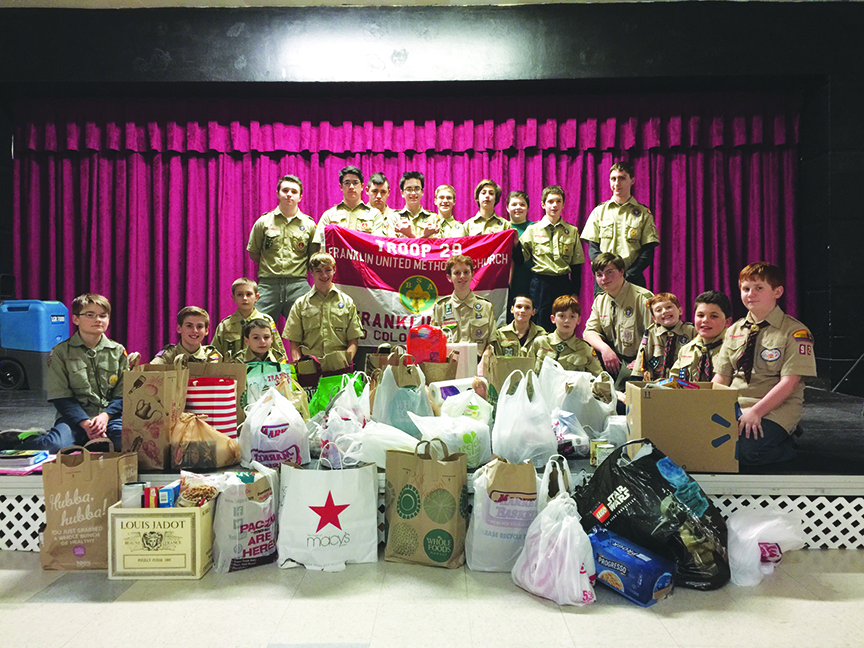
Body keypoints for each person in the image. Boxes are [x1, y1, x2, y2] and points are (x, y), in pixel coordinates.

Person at [712, 262, 816, 466]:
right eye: (746, 288)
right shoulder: (734, 330)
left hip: (774, 408)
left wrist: (756, 412)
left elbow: (789, 383)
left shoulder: (795, 332)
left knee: (743, 453)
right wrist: (710, 408)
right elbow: (721, 377)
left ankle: (787, 443)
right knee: (705, 444)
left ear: (777, 291)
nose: (751, 294)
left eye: (759, 288)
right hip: (736, 406)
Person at [18, 294, 126, 453]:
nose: (98, 320)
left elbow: (124, 393)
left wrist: (105, 416)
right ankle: (23, 439)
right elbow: (60, 396)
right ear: (76, 319)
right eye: (90, 315)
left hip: (108, 418)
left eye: (103, 315)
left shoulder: (117, 351)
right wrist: (85, 423)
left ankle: (92, 440)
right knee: (55, 446)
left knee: (127, 444)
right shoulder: (61, 352)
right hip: (74, 419)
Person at [246, 174, 316, 322]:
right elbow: (254, 252)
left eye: (294, 191)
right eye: (285, 190)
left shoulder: (309, 225)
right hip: (268, 284)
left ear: (300, 197)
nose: (289, 194)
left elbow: (313, 256)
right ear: (278, 193)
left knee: (309, 326)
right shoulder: (263, 222)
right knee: (256, 325)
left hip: (297, 284)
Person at [582, 161, 659, 289]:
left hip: (633, 280)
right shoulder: (599, 211)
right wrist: (606, 273)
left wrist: (626, 275)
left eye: (622, 178)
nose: (617, 183)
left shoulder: (643, 213)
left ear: (632, 180)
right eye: (613, 179)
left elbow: (647, 252)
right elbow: (593, 249)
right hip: (605, 281)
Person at [582, 252, 653, 389]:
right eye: (599, 274)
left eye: (609, 272)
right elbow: (589, 332)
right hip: (612, 359)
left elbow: (655, 337)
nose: (604, 278)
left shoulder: (643, 298)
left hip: (638, 361)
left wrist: (640, 361)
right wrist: (605, 350)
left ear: (622, 271)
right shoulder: (600, 300)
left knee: (618, 395)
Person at [284, 252, 364, 372]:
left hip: (339, 366)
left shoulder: (347, 302)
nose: (324, 275)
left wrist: (345, 363)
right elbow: (294, 342)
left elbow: (353, 340)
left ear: (334, 270)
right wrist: (300, 366)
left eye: (328, 270)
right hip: (309, 365)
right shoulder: (300, 304)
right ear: (311, 272)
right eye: (318, 271)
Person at [519, 185, 584, 332]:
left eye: (558, 201)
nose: (554, 205)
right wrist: (513, 243)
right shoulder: (533, 230)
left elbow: (576, 266)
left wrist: (575, 293)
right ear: (543, 204)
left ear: (563, 204)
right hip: (540, 283)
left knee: (563, 322)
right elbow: (520, 258)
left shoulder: (571, 231)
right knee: (539, 324)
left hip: (562, 283)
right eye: (550, 201)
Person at [431, 254, 496, 354]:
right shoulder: (440, 308)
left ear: (472, 274)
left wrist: (483, 362)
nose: (462, 276)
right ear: (449, 277)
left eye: (466, 272)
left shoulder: (485, 307)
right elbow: (433, 342)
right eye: (457, 273)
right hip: (449, 364)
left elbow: (491, 343)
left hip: (478, 364)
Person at [211, 277, 286, 361]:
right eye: (240, 294)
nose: (244, 298)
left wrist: (283, 369)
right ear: (233, 298)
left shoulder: (267, 321)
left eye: (249, 294)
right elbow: (215, 353)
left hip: (261, 370)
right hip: (233, 371)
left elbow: (279, 351)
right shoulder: (225, 325)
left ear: (256, 297)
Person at [314, 166, 386, 249]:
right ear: (341, 186)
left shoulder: (375, 215)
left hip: (363, 260)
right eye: (347, 183)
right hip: (335, 261)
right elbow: (318, 246)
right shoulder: (329, 215)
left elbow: (377, 245)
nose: (351, 186)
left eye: (355, 182)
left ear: (362, 186)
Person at [529, 295, 602, 375]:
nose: (567, 320)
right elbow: (526, 371)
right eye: (562, 316)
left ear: (578, 320)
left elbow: (600, 377)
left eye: (572, 316)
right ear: (553, 319)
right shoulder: (540, 342)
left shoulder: (585, 349)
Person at [671, 290, 733, 382]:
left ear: (727, 321)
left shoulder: (733, 347)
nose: (705, 320)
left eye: (713, 316)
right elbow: (673, 381)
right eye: (700, 315)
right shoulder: (687, 349)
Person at [635, 292, 696, 381]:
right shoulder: (651, 333)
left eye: (669, 307)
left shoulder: (691, 331)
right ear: (654, 319)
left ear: (680, 311)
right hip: (657, 384)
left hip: (685, 384)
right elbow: (642, 359)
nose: (665, 311)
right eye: (659, 310)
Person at [151, 306, 222, 364]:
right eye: (189, 326)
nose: (195, 331)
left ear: (206, 330)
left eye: (199, 326)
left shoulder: (211, 355)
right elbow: (151, 371)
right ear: (179, 328)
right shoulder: (168, 355)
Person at [506, 191, 533, 322]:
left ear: (528, 207)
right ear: (507, 208)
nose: (518, 207)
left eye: (522, 204)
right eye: (514, 204)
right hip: (508, 281)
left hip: (530, 278)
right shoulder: (502, 229)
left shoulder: (535, 227)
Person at [392, 171, 437, 238]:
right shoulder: (393, 218)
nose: (413, 193)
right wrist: (425, 237)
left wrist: (409, 236)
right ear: (402, 193)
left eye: (417, 189)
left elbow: (438, 246)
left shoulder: (433, 218)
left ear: (422, 192)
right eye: (409, 189)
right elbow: (390, 245)